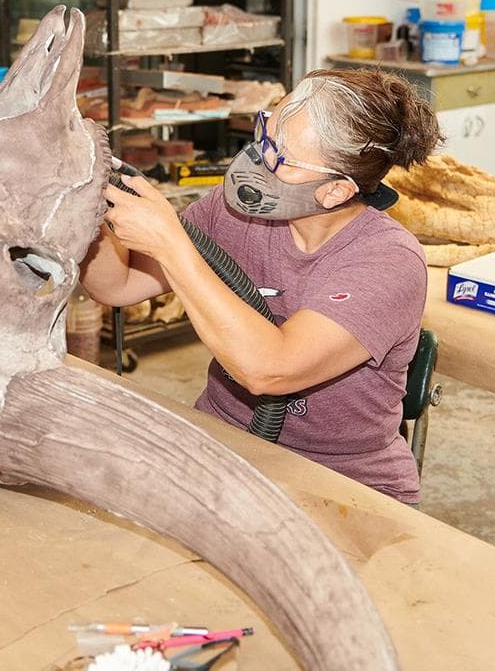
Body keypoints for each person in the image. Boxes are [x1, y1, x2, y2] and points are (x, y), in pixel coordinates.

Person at [79, 68, 442, 504]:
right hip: (222, 438)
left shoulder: (387, 262)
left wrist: (172, 246)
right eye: (265, 135)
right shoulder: (236, 212)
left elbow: (271, 369)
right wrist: (86, 205)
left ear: (334, 192)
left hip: (340, 479)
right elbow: (119, 285)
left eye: (280, 155)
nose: (257, 159)